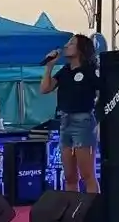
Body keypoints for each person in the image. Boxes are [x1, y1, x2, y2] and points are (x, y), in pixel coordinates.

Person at [40, 34, 99, 193]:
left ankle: (93, 206)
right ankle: (72, 206)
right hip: (65, 121)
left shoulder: (90, 70)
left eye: (71, 43)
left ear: (81, 49)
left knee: (87, 174)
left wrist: (99, 118)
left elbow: (103, 93)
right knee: (69, 176)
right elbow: (44, 88)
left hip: (83, 121)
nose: (66, 46)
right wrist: (49, 66)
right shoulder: (65, 71)